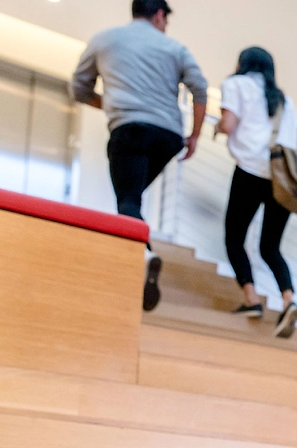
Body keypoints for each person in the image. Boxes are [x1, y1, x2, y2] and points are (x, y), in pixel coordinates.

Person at [71, 0, 208, 312]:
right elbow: (200, 89)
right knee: (131, 197)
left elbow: (78, 88)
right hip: (168, 136)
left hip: (129, 130)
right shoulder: (175, 48)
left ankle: (143, 253)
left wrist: (112, 105)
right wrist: (195, 135)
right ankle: (133, 241)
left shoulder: (104, 39)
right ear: (160, 15)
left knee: (128, 200)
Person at [215, 46, 297, 338]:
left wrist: (218, 126)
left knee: (234, 237)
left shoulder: (235, 84)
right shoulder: (284, 100)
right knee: (270, 246)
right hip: (282, 178)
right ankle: (288, 300)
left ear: (242, 63)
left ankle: (252, 300)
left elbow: (229, 125)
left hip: (251, 171)